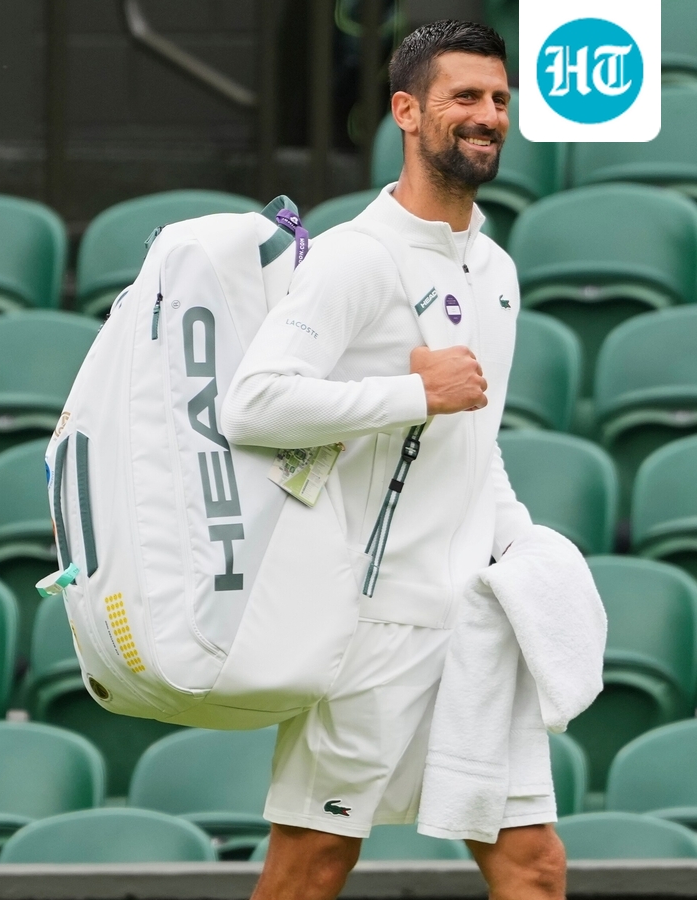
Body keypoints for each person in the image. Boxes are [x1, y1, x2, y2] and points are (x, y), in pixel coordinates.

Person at [221, 21, 566, 900]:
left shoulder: (497, 268)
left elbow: (472, 445)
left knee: (533, 865)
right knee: (312, 866)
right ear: (407, 111)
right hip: (371, 629)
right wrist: (411, 392)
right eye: (465, 98)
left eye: (499, 100)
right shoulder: (352, 258)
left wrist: (521, 545)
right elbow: (253, 403)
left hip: (475, 626)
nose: (488, 116)